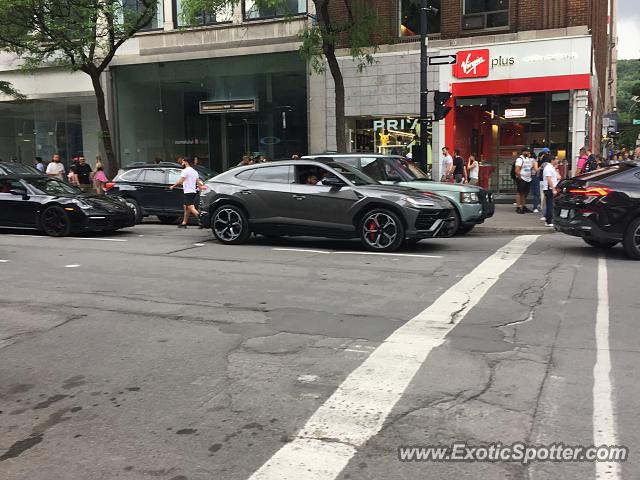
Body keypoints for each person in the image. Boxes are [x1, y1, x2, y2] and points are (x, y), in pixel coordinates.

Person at [169, 157, 204, 229]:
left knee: (190, 207)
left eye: (182, 162)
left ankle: (202, 220)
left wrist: (173, 186)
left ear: (186, 162)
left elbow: (181, 181)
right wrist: (201, 189)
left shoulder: (185, 171)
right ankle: (184, 223)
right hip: (193, 191)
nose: (182, 163)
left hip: (188, 191)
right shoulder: (194, 171)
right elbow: (198, 182)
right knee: (186, 207)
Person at [514, 147, 534, 214]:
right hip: (522, 178)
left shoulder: (528, 159)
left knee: (524, 193)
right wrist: (520, 177)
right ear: (523, 152)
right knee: (520, 193)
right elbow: (517, 169)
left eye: (528, 152)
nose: (528, 153)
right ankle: (518, 207)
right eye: (527, 151)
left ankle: (523, 206)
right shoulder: (520, 159)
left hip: (528, 179)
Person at [542, 155, 560, 227]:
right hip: (549, 188)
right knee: (549, 205)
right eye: (556, 159)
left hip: (551, 188)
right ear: (552, 160)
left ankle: (549, 219)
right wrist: (553, 189)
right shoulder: (548, 168)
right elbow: (549, 179)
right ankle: (548, 221)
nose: (557, 160)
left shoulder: (552, 168)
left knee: (551, 204)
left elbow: (558, 177)